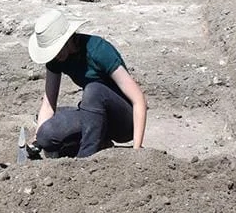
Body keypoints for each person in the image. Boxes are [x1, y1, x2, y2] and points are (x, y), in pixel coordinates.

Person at [28, 9, 147, 158]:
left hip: (124, 121)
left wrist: (137, 150)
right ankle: (102, 144)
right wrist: (37, 142)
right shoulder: (56, 59)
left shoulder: (98, 49)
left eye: (56, 50)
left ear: (68, 39)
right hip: (95, 117)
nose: (55, 56)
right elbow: (48, 105)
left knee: (93, 90)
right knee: (46, 134)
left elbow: (138, 99)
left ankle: (85, 158)